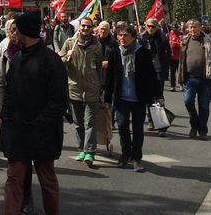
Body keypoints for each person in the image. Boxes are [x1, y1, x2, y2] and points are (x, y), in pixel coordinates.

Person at [0, 11, 68, 215]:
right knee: (14, 181)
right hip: (18, 131)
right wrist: (4, 113)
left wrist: (39, 122)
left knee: (47, 181)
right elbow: (11, 91)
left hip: (42, 132)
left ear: (25, 31)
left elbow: (59, 101)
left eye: (17, 29)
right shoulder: (18, 58)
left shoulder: (52, 61)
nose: (14, 33)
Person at [104, 25, 164, 172]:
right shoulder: (114, 53)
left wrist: (159, 95)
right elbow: (110, 77)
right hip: (121, 98)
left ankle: (136, 158)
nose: (122, 38)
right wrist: (107, 99)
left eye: (125, 35)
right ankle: (125, 153)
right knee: (123, 126)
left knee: (138, 129)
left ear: (133, 37)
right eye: (119, 35)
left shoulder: (143, 52)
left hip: (139, 98)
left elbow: (152, 76)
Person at [0, 19, 35, 215]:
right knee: (13, 159)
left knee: (24, 160)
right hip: (10, 113)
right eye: (11, 30)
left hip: (28, 114)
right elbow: (1, 82)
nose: (13, 33)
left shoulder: (32, 54)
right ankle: (13, 201)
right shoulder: (6, 52)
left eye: (16, 30)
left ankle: (26, 196)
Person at [59, 17, 103, 166]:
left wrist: (100, 87)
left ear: (92, 28)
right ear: (79, 27)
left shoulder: (97, 45)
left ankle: (90, 151)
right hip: (75, 89)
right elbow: (59, 62)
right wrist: (67, 58)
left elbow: (98, 68)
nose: (85, 29)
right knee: (78, 123)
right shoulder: (70, 43)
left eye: (88, 27)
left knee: (90, 122)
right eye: (83, 26)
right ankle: (82, 149)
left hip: (92, 89)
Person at [178, 19, 211, 140]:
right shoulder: (185, 41)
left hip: (205, 79)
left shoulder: (208, 41)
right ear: (188, 29)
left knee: (204, 106)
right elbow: (181, 60)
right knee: (188, 101)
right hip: (189, 78)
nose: (192, 29)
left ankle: (202, 130)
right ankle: (195, 124)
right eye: (190, 27)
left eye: (195, 27)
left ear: (200, 28)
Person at [139, 18, 170, 132]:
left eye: (153, 26)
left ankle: (160, 125)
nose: (151, 28)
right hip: (145, 70)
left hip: (158, 69)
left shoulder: (162, 38)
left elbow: (167, 55)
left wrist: (166, 71)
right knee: (148, 96)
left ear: (157, 27)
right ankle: (151, 120)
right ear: (145, 26)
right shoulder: (141, 38)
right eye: (149, 26)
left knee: (158, 96)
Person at [169, 24, 182, 92]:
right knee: (172, 72)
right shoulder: (170, 34)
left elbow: (181, 43)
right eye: (172, 28)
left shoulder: (180, 34)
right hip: (172, 56)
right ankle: (172, 86)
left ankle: (181, 84)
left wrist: (175, 43)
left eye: (175, 28)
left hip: (179, 56)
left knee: (180, 72)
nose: (173, 29)